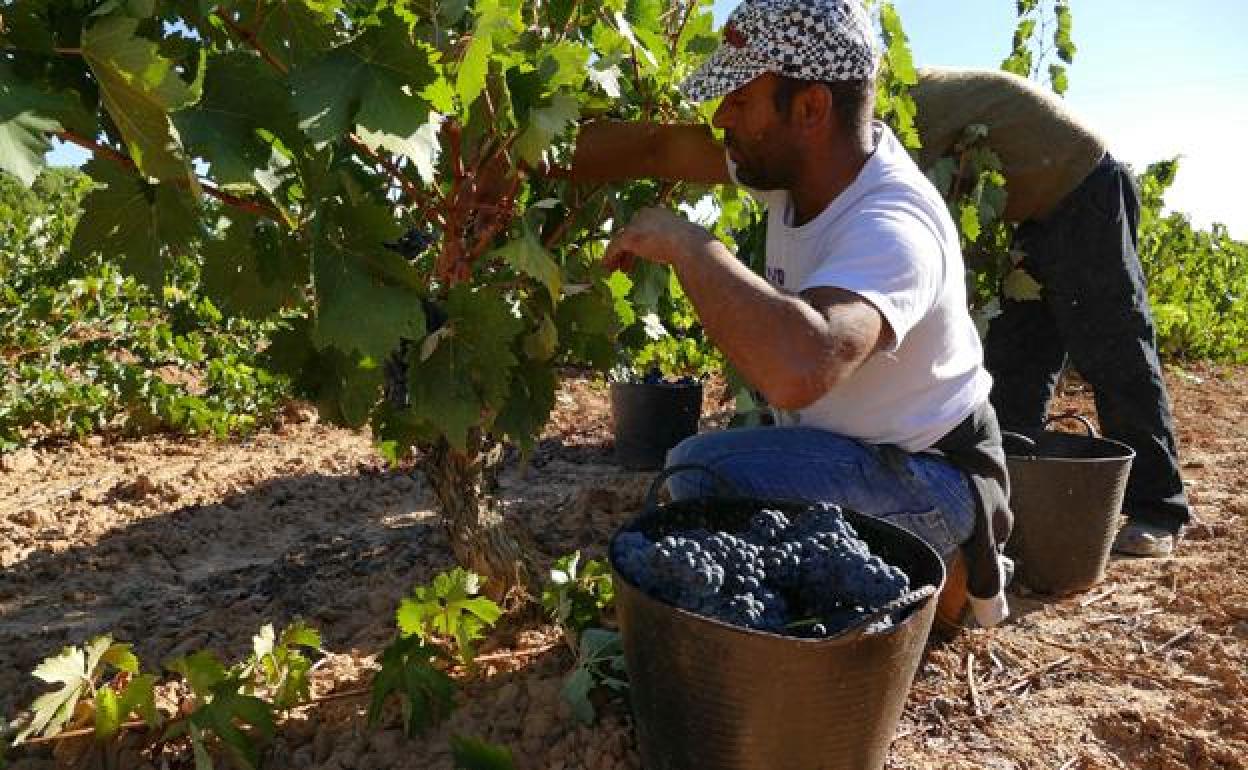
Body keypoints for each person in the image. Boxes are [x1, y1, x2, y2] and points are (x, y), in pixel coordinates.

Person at [566, 0, 1012, 626]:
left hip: (931, 476)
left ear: (809, 109)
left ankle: (945, 565)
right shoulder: (793, 166)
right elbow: (660, 148)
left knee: (703, 478)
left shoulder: (893, 226)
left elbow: (804, 366)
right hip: (849, 451)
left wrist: (693, 246)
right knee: (712, 487)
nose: (722, 117)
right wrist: (516, 153)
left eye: (741, 101)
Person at [910, 67, 1191, 557]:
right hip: (1037, 211)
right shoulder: (893, 104)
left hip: (1084, 188)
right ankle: (1018, 491)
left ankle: (1158, 508)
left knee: (1112, 347)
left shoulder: (891, 117)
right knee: (1015, 356)